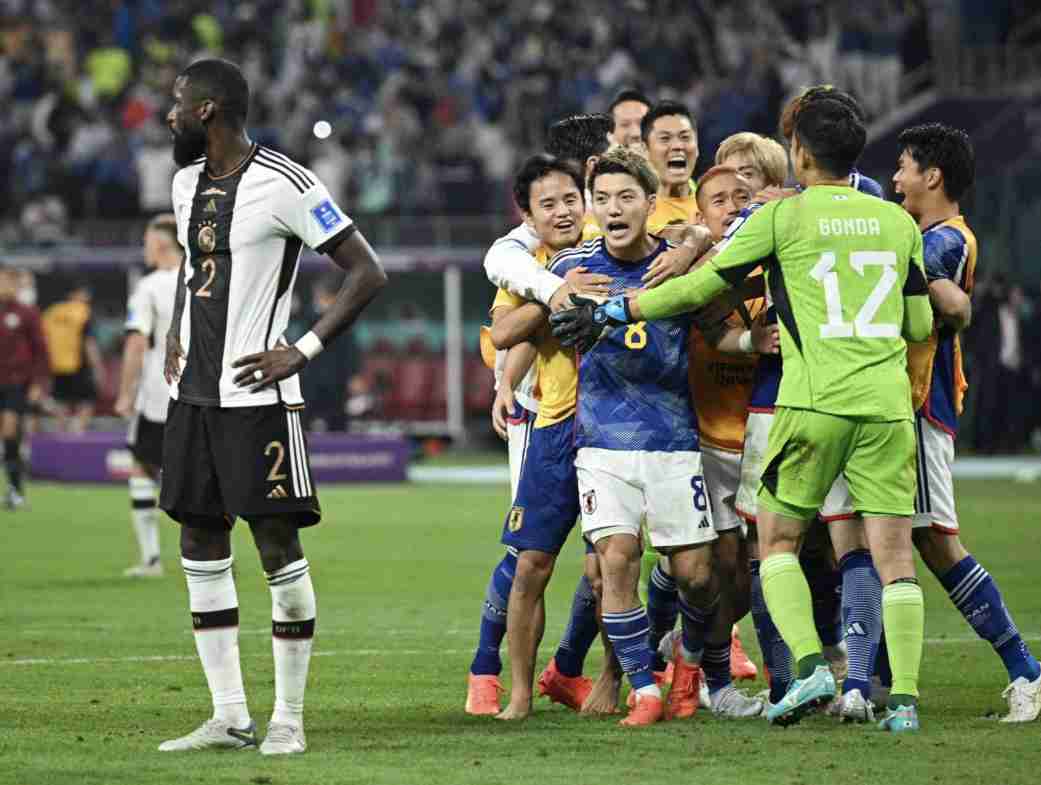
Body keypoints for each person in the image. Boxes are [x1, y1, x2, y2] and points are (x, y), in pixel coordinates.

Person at [553, 96, 934, 733]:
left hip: (813, 404)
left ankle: (809, 665)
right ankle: (903, 704)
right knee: (894, 556)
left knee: (776, 541)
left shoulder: (783, 218)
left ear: (802, 155)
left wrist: (620, 310)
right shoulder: (895, 221)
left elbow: (701, 287)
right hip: (887, 407)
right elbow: (920, 320)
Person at [158, 58, 386, 755]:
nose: (169, 114)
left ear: (208, 111)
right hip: (191, 397)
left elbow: (366, 270)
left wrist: (305, 348)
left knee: (277, 549)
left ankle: (288, 715)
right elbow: (195, 269)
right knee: (198, 544)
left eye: (177, 102)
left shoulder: (287, 183)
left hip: (257, 397)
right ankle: (229, 714)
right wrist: (174, 327)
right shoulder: (183, 182)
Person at [550, 148, 720, 727]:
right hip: (601, 444)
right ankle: (645, 689)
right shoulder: (574, 269)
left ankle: (688, 664)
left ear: (651, 204)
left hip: (673, 440)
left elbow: (719, 328)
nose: (614, 208)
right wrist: (508, 370)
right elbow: (523, 317)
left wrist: (696, 244)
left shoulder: (678, 266)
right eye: (604, 199)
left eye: (627, 198)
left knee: (697, 576)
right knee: (615, 561)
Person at [896, 122, 1041, 722]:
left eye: (904, 166)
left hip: (922, 402)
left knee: (936, 542)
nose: (896, 178)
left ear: (932, 176)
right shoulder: (921, 232)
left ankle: (1026, 672)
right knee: (880, 539)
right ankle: (868, 675)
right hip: (894, 401)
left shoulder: (948, 240)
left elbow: (913, 283)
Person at [465, 152, 588, 718]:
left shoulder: (625, 238)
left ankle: (600, 675)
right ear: (529, 213)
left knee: (614, 559)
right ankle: (495, 677)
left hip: (626, 421)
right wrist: (557, 288)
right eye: (550, 203)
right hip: (551, 419)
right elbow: (504, 331)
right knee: (529, 557)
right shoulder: (520, 256)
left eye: (571, 199)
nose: (564, 210)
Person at [114, 214, 182, 577]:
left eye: (146, 241)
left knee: (142, 465)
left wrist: (125, 393)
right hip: (207, 390)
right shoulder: (206, 280)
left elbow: (137, 343)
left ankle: (152, 559)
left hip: (159, 392)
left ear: (159, 244)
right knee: (203, 473)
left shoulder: (149, 287)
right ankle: (215, 556)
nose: (144, 247)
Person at [0, 266, 49, 509]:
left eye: (8, 281)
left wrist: (38, 383)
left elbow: (41, 351)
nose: (5, 286)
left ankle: (15, 490)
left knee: (10, 432)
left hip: (15, 383)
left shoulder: (27, 313)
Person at [41, 280, 105, 433]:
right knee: (88, 400)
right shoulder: (83, 312)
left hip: (56, 365)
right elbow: (89, 343)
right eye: (84, 293)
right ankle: (77, 431)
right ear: (75, 294)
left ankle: (63, 432)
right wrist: (97, 366)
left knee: (61, 400)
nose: (87, 297)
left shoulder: (52, 312)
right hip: (79, 365)